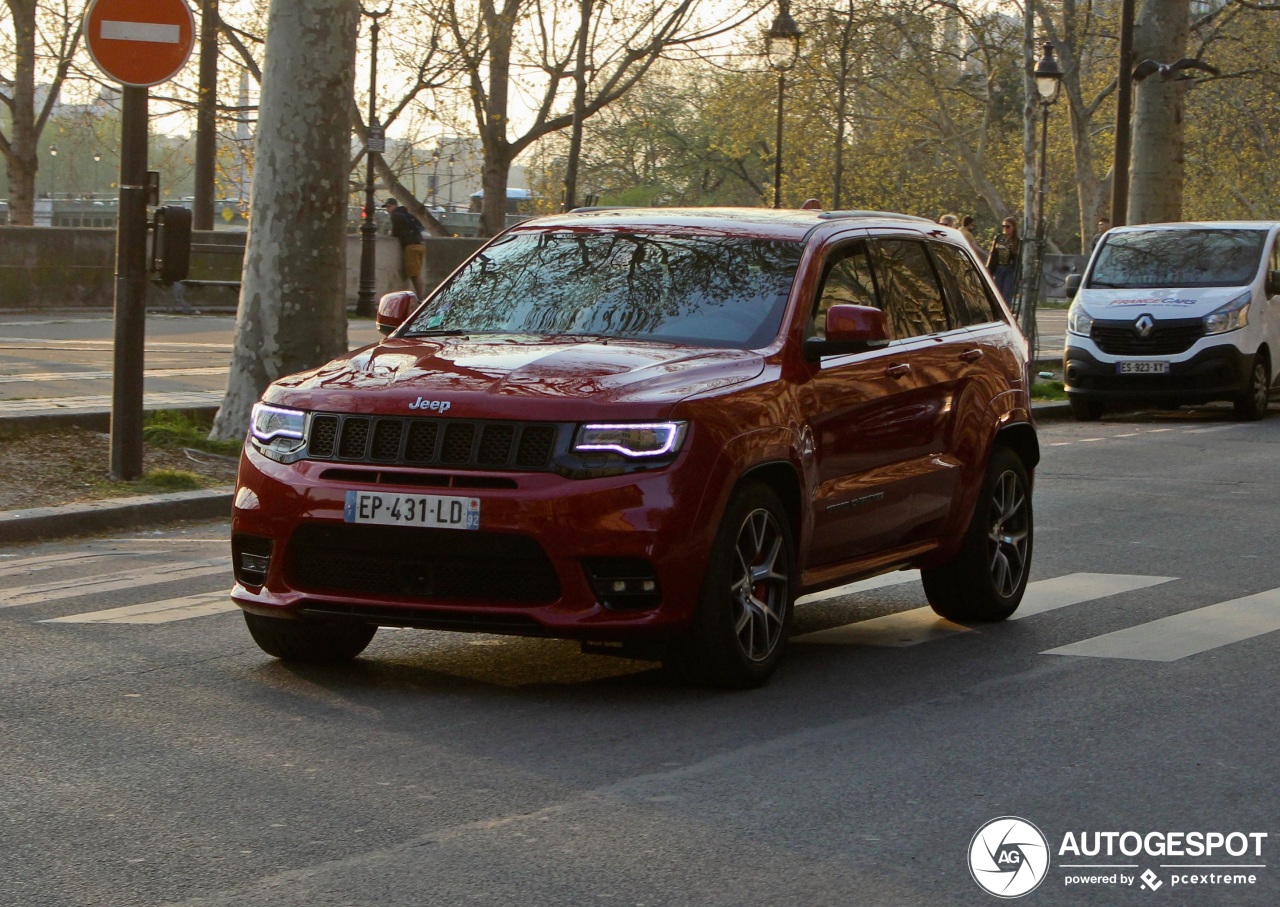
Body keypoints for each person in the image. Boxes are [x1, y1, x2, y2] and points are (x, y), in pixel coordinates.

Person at [383, 198, 426, 299]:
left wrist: (391, 233)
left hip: (411, 245)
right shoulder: (407, 214)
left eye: (389, 206)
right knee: (416, 273)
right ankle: (420, 297)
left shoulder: (395, 215)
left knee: (414, 275)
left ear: (394, 206)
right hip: (420, 244)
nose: (388, 209)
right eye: (386, 207)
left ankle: (421, 299)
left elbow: (395, 233)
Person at [987, 216, 1020, 303]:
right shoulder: (999, 238)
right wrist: (989, 267)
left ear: (1014, 227)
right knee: (997, 293)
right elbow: (993, 253)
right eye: (1003, 226)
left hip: (1009, 269)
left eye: (1008, 226)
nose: (1005, 228)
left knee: (1006, 293)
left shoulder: (1017, 241)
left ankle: (1005, 312)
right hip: (998, 267)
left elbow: (1017, 257)